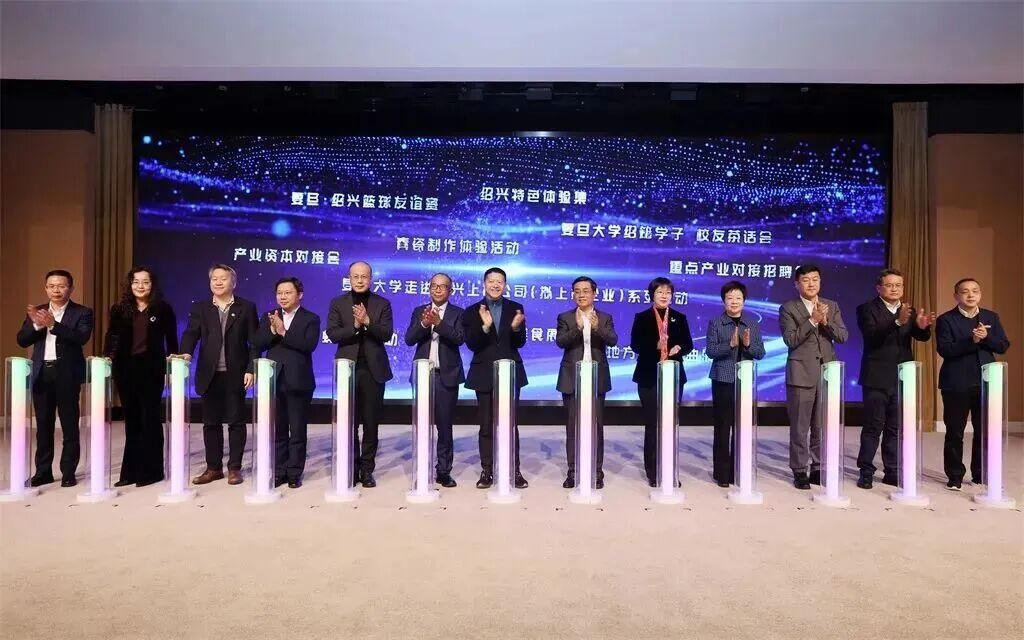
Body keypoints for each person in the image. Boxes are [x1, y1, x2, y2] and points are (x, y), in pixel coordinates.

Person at [178, 264, 258, 486]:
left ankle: (234, 468)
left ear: (233, 282)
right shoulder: (201, 308)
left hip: (236, 373)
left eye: (223, 278)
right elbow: (191, 333)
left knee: (236, 422)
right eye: (214, 278)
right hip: (209, 373)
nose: (218, 282)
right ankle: (213, 468)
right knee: (210, 423)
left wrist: (251, 368)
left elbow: (254, 342)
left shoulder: (246, 307)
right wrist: (186, 353)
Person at [854, 268, 933, 489]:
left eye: (898, 285)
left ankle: (892, 470)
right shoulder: (867, 309)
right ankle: (866, 471)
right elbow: (872, 336)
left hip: (902, 376)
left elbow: (920, 337)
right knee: (873, 427)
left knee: (895, 428)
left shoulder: (908, 310)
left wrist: (923, 328)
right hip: (876, 377)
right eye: (889, 285)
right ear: (879, 288)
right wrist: (897, 322)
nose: (895, 289)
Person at [16, 270, 94, 488]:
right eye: (51, 286)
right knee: (43, 426)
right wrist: (36, 325)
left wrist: (53, 325)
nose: (56, 290)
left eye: (61, 286)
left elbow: (81, 337)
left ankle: (68, 472)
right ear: (46, 288)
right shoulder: (39, 312)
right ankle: (43, 472)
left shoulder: (82, 312)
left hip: (67, 374)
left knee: (69, 425)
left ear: (71, 288)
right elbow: (22, 340)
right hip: (42, 373)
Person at [103, 266, 178, 487]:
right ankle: (129, 473)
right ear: (130, 285)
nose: (140, 286)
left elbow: (171, 339)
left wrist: (173, 364)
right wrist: (107, 356)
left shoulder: (163, 309)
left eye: (145, 282)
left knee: (150, 419)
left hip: (152, 370)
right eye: (136, 282)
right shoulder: (119, 309)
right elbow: (112, 336)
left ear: (152, 285)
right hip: (125, 370)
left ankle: (152, 472)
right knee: (132, 420)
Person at [935, 278, 1010, 491]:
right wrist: (972, 341)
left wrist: (986, 338)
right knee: (955, 432)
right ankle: (955, 476)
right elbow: (945, 350)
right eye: (965, 291)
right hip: (956, 383)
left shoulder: (990, 317)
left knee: (984, 431)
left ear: (980, 294)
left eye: (975, 291)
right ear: (956, 296)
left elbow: (1003, 345)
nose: (971, 295)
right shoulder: (946, 320)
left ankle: (980, 474)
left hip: (986, 382)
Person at [779, 264, 849, 490]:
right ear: (797, 284)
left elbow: (843, 336)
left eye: (815, 279)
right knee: (800, 427)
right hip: (801, 372)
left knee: (821, 425)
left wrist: (825, 321)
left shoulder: (832, 305)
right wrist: (812, 321)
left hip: (826, 373)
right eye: (806, 280)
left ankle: (818, 467)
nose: (811, 284)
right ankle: (800, 470)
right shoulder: (788, 308)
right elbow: (791, 340)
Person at [326, 261, 394, 488]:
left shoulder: (382, 303)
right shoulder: (338, 303)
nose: (360, 280)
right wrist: (355, 326)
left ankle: (366, 470)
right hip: (347, 369)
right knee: (349, 423)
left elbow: (386, 333)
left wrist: (368, 322)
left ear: (370, 279)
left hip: (373, 370)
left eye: (364, 276)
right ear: (349, 278)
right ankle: (351, 468)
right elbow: (333, 334)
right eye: (356, 276)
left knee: (371, 423)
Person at [462, 267, 529, 490]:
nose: (495, 285)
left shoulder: (515, 308)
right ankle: (487, 470)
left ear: (505, 285)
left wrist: (516, 329)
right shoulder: (471, 311)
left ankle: (514, 470)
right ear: (484, 284)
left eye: (500, 281)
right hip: (484, 372)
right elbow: (472, 344)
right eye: (491, 281)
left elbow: (520, 343)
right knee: (486, 425)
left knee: (510, 424)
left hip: (511, 371)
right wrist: (485, 327)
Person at [252, 277, 320, 489]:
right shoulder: (269, 316)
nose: (283, 297)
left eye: (288, 292)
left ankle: (294, 473)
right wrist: (273, 331)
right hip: (274, 380)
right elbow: (257, 343)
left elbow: (308, 345)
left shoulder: (311, 318)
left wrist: (283, 332)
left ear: (299, 295)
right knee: (278, 430)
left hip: (299, 382)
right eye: (279, 293)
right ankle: (279, 471)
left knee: (297, 431)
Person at [630, 276, 693, 487]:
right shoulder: (642, 317)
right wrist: (655, 346)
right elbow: (635, 345)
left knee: (670, 423)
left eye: (668, 292)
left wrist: (679, 348)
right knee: (653, 424)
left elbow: (689, 344)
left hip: (674, 375)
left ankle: (670, 471)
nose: (664, 296)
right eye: (660, 292)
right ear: (652, 295)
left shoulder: (679, 317)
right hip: (648, 375)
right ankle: (653, 472)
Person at [555, 276, 618, 490]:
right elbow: (560, 342)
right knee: (573, 427)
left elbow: (613, 340)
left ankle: (596, 471)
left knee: (596, 426)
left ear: (594, 293)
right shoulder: (565, 317)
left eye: (585, 291)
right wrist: (578, 327)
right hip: (572, 378)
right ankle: (573, 471)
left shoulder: (605, 317)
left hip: (596, 378)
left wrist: (597, 326)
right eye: (577, 291)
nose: (581, 294)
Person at [403, 273, 465, 488]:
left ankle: (444, 471)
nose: (437, 290)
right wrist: (424, 323)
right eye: (434, 286)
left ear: (450, 290)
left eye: (442, 286)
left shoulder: (458, 313)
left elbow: (459, 338)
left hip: (446, 376)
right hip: (422, 376)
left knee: (444, 426)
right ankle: (422, 468)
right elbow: (409, 339)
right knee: (421, 425)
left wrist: (439, 323)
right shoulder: (419, 311)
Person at [704, 280, 765, 488]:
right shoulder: (716, 323)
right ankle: (722, 474)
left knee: (743, 428)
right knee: (723, 427)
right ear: (723, 301)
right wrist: (729, 345)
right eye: (730, 298)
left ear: (744, 301)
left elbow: (760, 353)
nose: (734, 301)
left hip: (745, 381)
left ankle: (738, 472)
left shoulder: (752, 324)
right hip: (723, 380)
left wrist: (747, 345)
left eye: (738, 298)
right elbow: (710, 351)